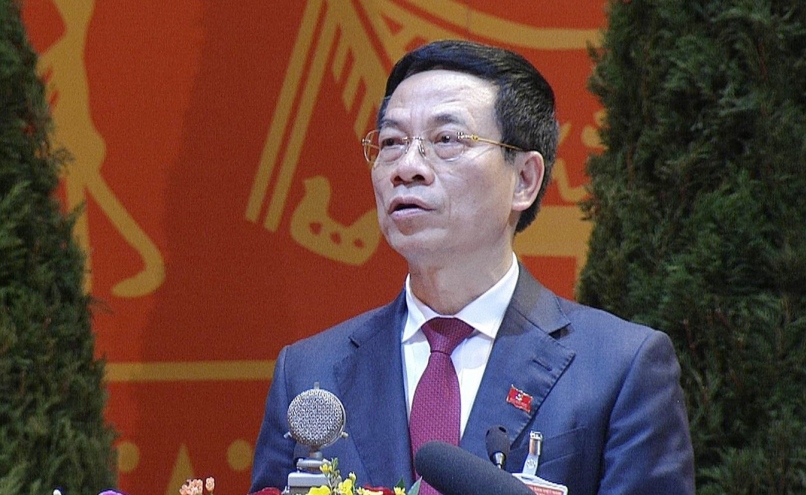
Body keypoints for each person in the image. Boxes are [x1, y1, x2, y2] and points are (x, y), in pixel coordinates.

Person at [250, 39, 695, 494]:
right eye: (392, 142)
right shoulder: (309, 372)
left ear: (524, 180)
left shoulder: (619, 368)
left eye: (446, 140)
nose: (407, 167)